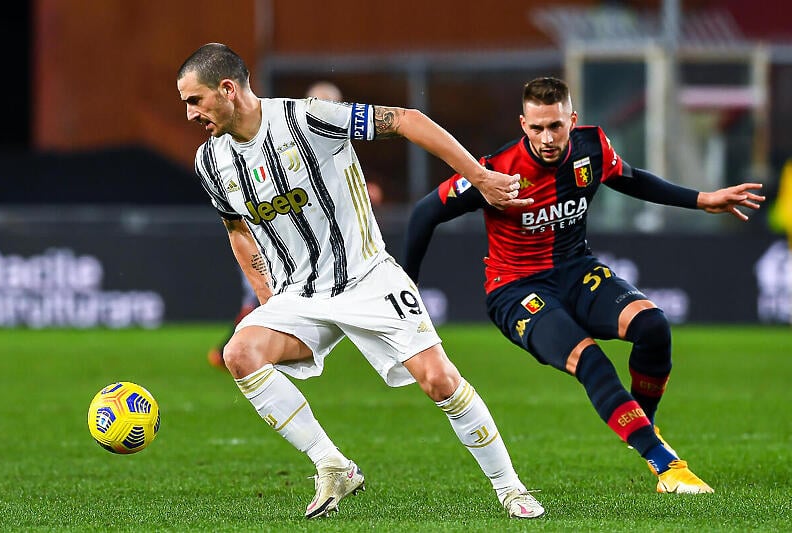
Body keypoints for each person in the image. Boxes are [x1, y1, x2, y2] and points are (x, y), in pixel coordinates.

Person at [177, 42, 543, 519]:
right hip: (300, 295)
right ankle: (333, 466)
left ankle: (510, 488)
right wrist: (268, 300)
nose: (189, 114)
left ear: (227, 89)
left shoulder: (309, 117)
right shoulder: (211, 161)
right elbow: (238, 231)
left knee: (439, 381)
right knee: (239, 354)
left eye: (194, 100)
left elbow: (407, 119)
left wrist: (479, 177)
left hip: (367, 277)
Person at [403, 76, 765, 495]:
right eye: (537, 128)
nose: (547, 138)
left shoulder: (592, 148)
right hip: (516, 290)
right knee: (590, 361)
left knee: (654, 328)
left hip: (576, 270)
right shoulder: (495, 171)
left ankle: (644, 430)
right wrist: (408, 287)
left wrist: (702, 199)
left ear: (572, 120)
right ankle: (666, 466)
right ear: (523, 125)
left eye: (555, 126)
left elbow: (631, 178)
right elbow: (424, 213)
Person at [206, 79, 383, 368]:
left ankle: (248, 347)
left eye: (333, 104)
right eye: (321, 102)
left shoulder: (339, 139)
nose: (328, 109)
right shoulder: (290, 135)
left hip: (323, 253)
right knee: (260, 299)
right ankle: (239, 347)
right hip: (278, 244)